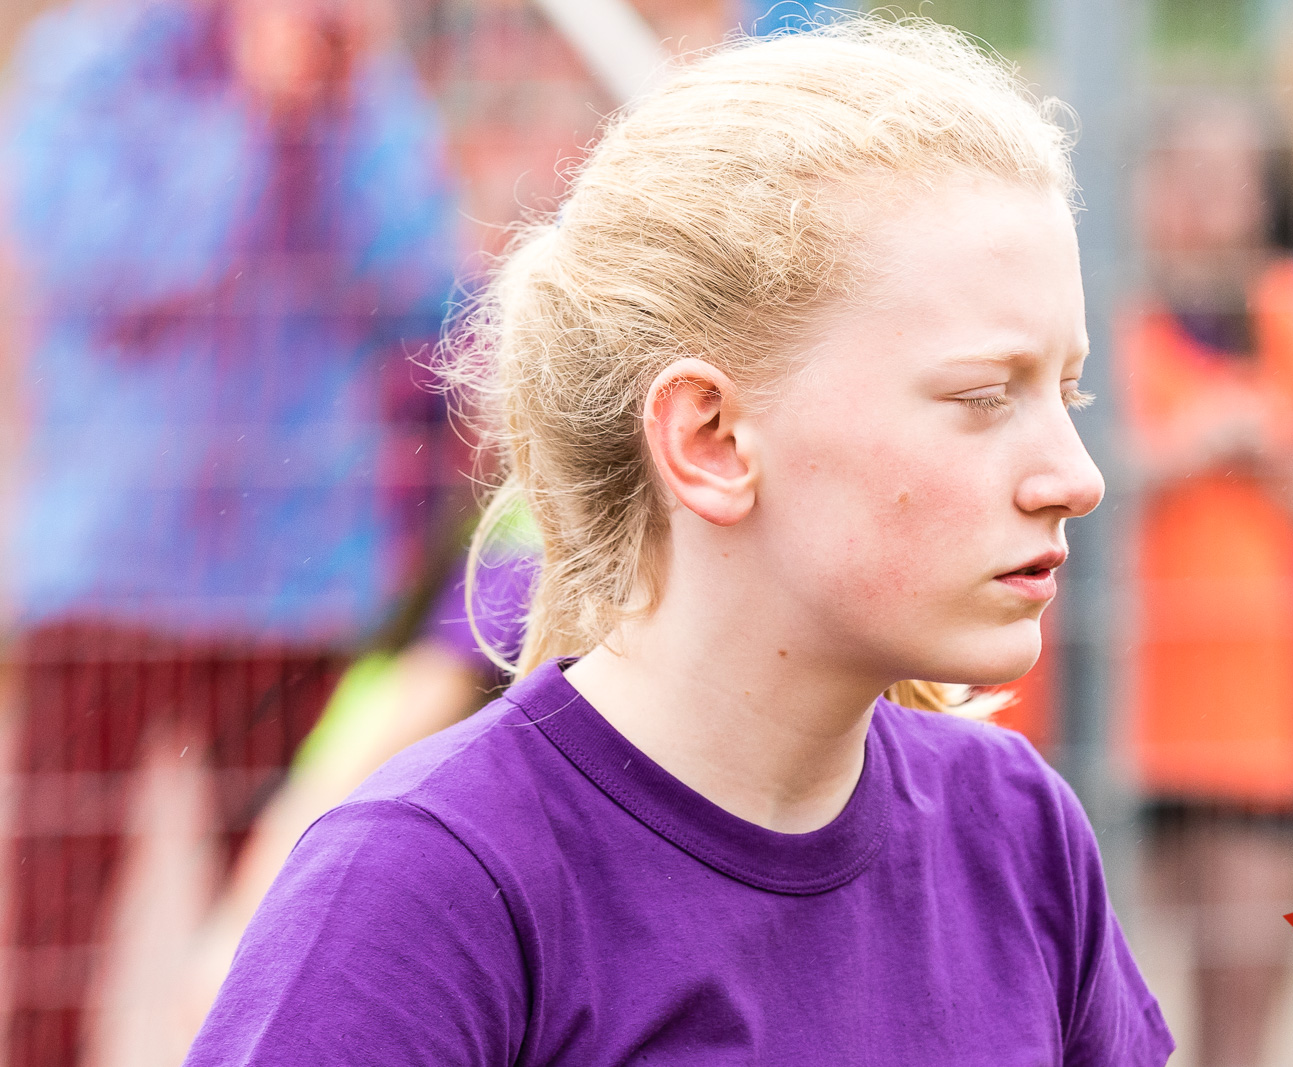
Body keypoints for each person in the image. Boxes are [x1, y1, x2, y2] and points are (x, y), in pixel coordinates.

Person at [182, 17, 1174, 1066]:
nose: (1076, 475)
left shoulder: (1017, 833)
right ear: (708, 437)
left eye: (1069, 392)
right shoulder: (432, 879)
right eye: (982, 396)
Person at [0, 1, 459, 1063]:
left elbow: (420, 289)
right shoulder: (98, 63)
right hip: (113, 566)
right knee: (52, 937)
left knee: (291, 921)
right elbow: (108, 264)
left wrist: (332, 117)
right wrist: (259, 116)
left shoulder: (361, 73)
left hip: (294, 578)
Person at [1121, 96, 1293, 1067]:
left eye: (1237, 178)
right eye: (1193, 175)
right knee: (1094, 974)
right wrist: (1179, 452)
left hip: (1254, 692)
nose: (1217, 202)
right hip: (1120, 691)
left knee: (1243, 976)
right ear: (1150, 185)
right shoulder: (1106, 311)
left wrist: (1266, 451)